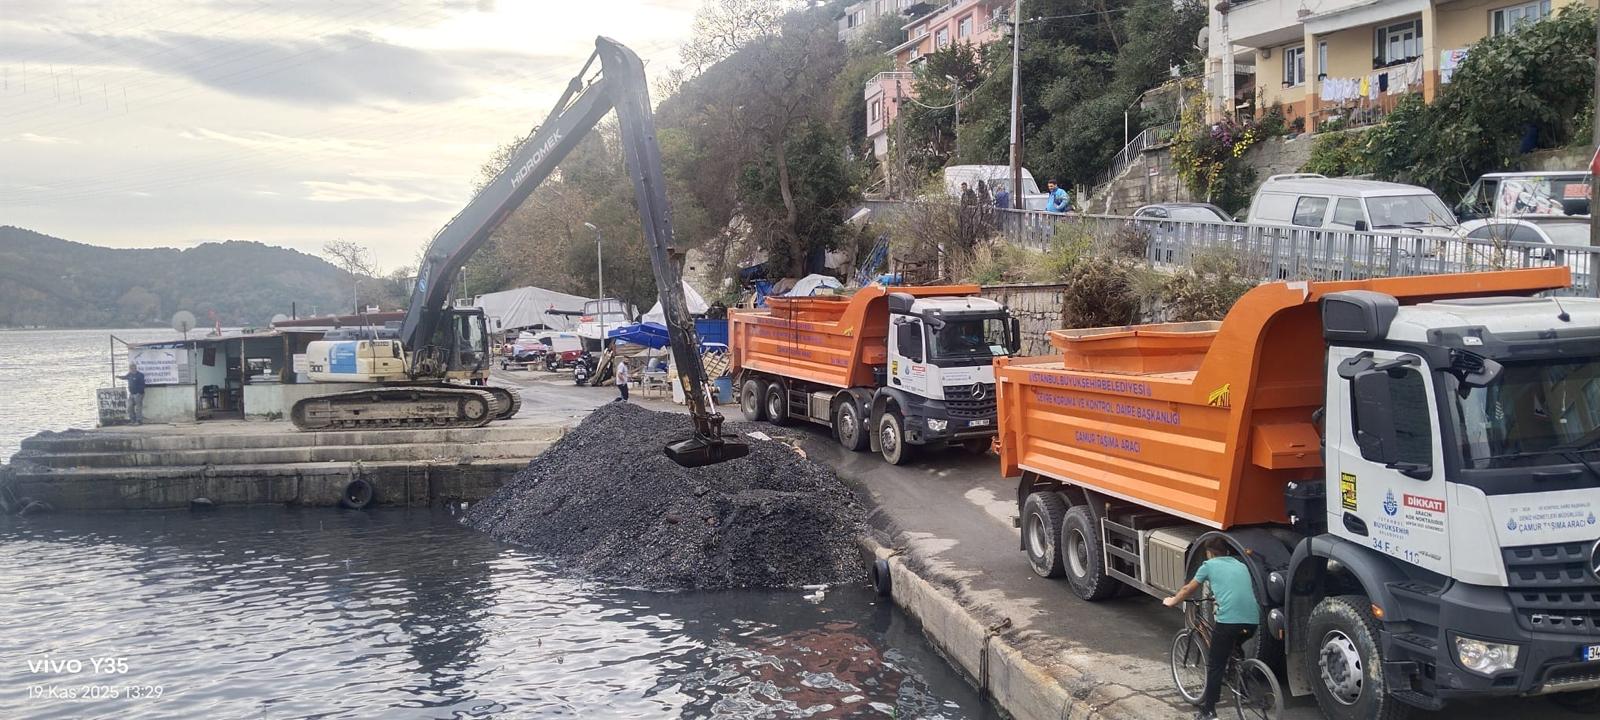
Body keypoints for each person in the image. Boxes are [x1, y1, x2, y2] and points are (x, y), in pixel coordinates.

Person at [1163, 537, 1261, 720]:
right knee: (1235, 648)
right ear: (1226, 551)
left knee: (1215, 665)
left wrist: (1172, 601)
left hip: (1229, 622)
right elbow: (1236, 589)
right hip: (1252, 621)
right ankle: (1244, 691)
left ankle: (1209, 711)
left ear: (1210, 553)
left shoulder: (1209, 565)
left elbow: (1187, 589)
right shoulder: (1241, 565)